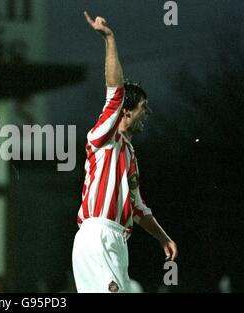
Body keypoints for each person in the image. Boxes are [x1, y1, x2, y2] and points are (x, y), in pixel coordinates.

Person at [72, 11, 178, 293]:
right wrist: (109, 39)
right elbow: (115, 90)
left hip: (117, 241)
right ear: (127, 111)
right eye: (144, 108)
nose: (148, 113)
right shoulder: (104, 136)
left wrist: (162, 237)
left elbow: (139, 209)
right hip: (98, 235)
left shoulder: (129, 156)